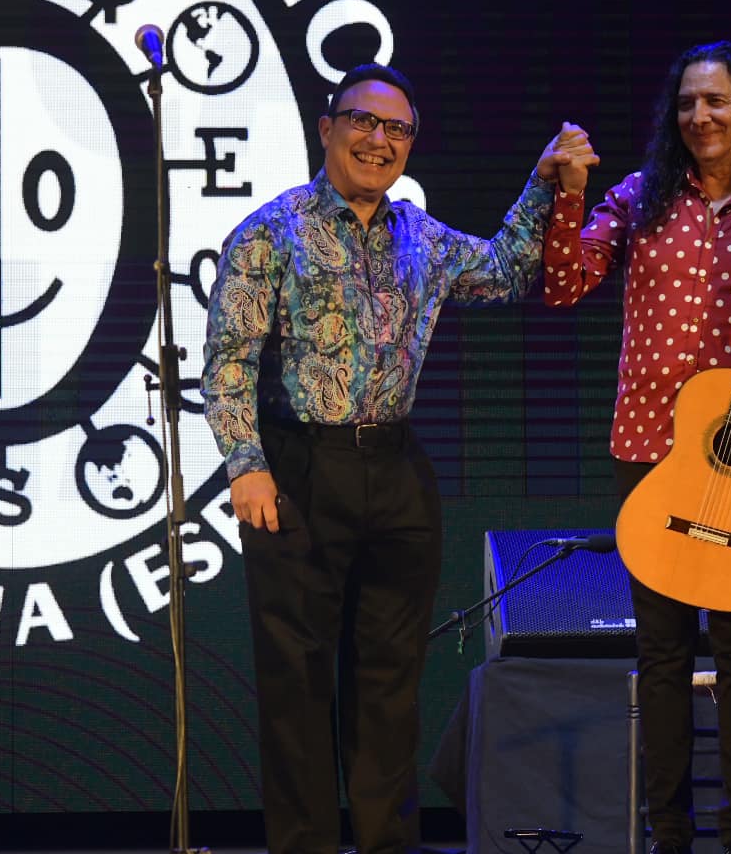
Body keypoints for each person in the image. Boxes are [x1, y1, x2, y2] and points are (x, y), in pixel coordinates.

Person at [202, 61, 599, 854]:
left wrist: (544, 180)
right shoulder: (271, 230)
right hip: (297, 469)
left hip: (394, 472)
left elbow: (508, 270)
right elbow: (229, 357)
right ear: (327, 129)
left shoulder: (421, 235)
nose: (377, 141)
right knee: (299, 684)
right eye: (361, 121)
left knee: (388, 686)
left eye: (396, 129)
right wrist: (245, 464)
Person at [541, 41, 731, 854]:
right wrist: (570, 194)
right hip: (648, 450)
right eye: (686, 103)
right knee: (664, 653)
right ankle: (668, 836)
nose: (700, 117)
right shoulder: (640, 199)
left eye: (715, 101)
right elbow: (567, 281)